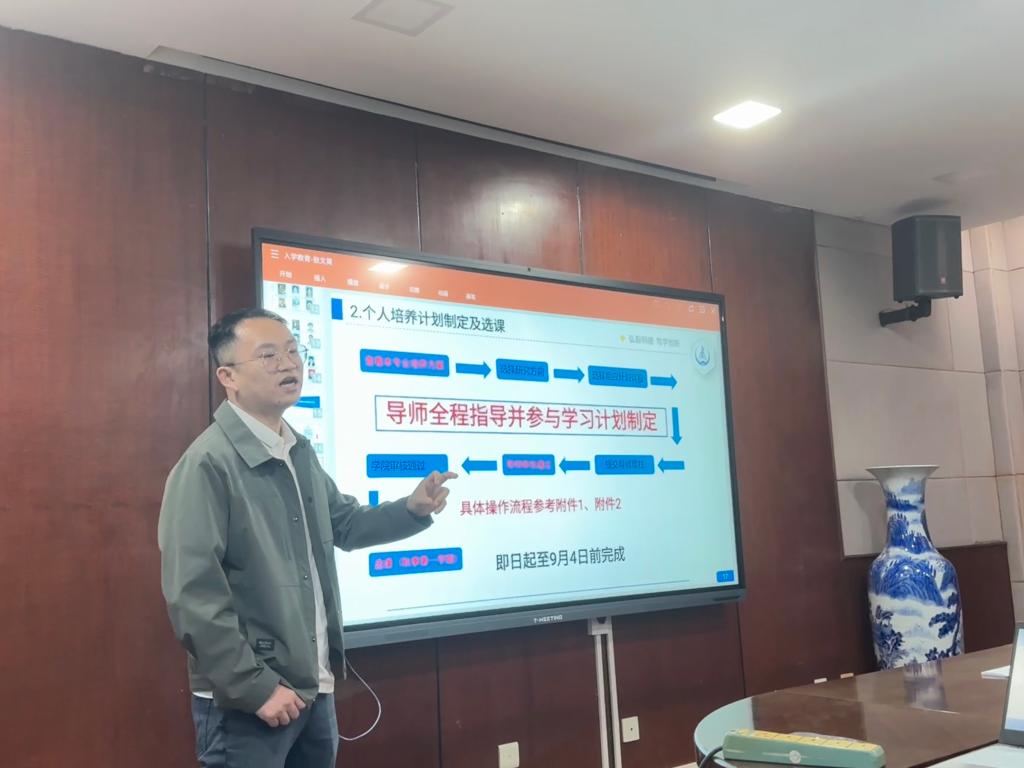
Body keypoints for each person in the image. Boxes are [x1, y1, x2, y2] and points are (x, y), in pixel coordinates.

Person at [158, 307, 456, 767]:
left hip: (311, 689)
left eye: (293, 351)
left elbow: (345, 524)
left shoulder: (296, 451)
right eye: (268, 355)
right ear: (228, 377)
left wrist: (410, 510)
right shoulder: (207, 464)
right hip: (250, 701)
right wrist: (255, 687)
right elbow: (193, 594)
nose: (289, 364)